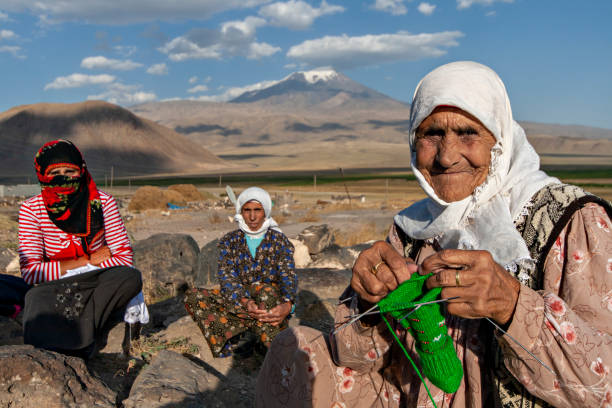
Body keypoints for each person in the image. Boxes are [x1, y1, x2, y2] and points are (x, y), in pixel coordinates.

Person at [256, 61, 612, 407]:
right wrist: (367, 304)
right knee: (297, 350)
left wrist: (514, 305)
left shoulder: (570, 221)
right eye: (432, 133)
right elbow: (355, 358)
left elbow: (605, 385)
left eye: (468, 133)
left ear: (499, 138)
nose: (446, 155)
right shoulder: (411, 230)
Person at [18, 139, 147, 358]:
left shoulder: (103, 203)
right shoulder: (32, 209)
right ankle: (83, 338)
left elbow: (124, 257)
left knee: (130, 278)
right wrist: (86, 261)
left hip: (97, 279)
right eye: (55, 172)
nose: (63, 177)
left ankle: (80, 333)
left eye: (70, 170)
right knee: (36, 296)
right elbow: (31, 271)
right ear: (42, 174)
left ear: (82, 170)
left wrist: (78, 269)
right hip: (59, 283)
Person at [185, 187, 297, 358]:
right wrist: (245, 302)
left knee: (266, 292)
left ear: (265, 211)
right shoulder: (230, 241)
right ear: (241, 212)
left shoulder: (278, 240)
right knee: (192, 296)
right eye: (247, 210)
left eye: (257, 210)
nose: (252, 216)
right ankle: (240, 337)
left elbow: (287, 276)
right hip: (240, 301)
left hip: (270, 302)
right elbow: (227, 277)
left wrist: (287, 306)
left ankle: (268, 348)